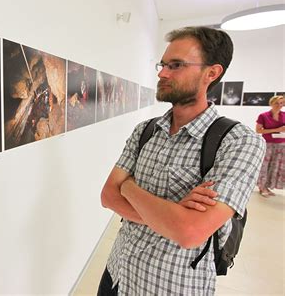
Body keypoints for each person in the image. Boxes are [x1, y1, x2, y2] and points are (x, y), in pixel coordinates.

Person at [98, 26, 265, 295]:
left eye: (176, 65)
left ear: (212, 73)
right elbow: (108, 196)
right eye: (163, 65)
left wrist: (128, 187)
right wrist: (171, 215)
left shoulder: (239, 142)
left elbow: (189, 232)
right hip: (117, 273)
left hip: (170, 286)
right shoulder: (145, 130)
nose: (163, 73)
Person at [255, 95, 285, 197]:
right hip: (267, 143)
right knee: (264, 166)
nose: (279, 105)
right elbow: (258, 130)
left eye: (281, 103)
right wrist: (277, 130)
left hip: (281, 144)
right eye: (277, 103)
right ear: (271, 103)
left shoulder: (284, 115)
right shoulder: (263, 116)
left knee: (274, 166)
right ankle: (261, 186)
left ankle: (267, 186)